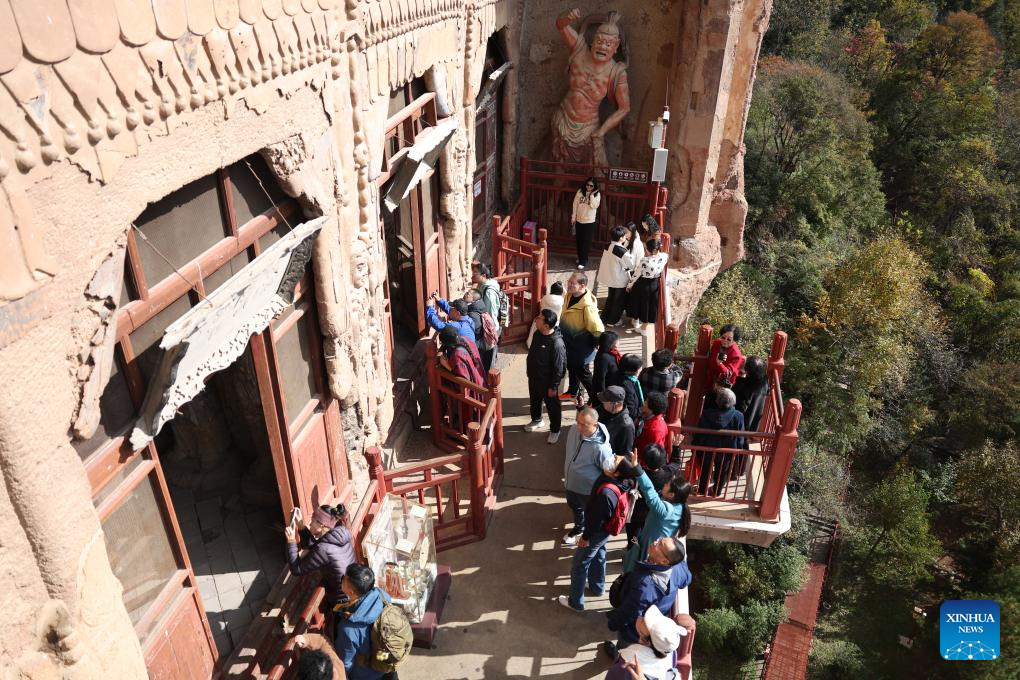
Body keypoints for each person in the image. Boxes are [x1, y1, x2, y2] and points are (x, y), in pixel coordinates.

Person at [557, 455, 641, 612]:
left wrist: (585, 537)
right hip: (605, 530)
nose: (612, 457)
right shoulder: (623, 482)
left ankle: (576, 602)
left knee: (579, 564)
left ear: (616, 472)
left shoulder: (606, 494)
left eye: (615, 460)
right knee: (599, 553)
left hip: (597, 531)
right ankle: (597, 586)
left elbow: (596, 520)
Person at [552, 9, 630, 166]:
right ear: (593, 41)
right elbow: (560, 26)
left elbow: (624, 108)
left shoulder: (616, 73)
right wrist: (567, 17)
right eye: (599, 41)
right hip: (563, 118)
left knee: (595, 171)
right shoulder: (579, 50)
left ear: (616, 47)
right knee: (559, 168)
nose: (603, 47)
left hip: (589, 128)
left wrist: (602, 131)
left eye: (608, 44)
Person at [605, 537, 691, 656]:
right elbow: (687, 579)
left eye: (660, 544)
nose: (655, 541)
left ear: (664, 561)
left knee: (624, 650)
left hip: (635, 631)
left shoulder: (645, 586)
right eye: (660, 539)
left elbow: (627, 613)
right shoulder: (677, 567)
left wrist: (612, 623)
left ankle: (617, 655)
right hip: (653, 624)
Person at [621, 462, 691, 574]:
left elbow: (650, 493)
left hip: (649, 552)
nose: (665, 484)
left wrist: (638, 470)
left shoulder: (665, 511)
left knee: (633, 574)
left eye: (667, 484)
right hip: (653, 548)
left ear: (672, 494)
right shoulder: (680, 505)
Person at [285, 504, 356, 608]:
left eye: (313, 520)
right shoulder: (341, 531)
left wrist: (291, 542)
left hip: (343, 600)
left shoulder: (323, 549)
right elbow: (316, 548)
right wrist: (301, 526)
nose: (310, 523)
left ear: (321, 525)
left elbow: (297, 570)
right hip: (353, 591)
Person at [562, 407, 614, 546]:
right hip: (570, 485)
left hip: (587, 492)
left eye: (583, 424)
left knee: (590, 514)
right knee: (575, 508)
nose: (578, 427)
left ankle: (586, 534)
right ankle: (579, 527)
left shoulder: (601, 449)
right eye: (577, 422)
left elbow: (609, 471)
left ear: (595, 425)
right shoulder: (574, 429)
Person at [334, 563, 392, 680]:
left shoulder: (348, 629)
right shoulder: (383, 595)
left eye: (343, 579)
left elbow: (345, 663)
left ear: (351, 592)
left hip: (365, 674)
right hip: (386, 663)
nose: (341, 579)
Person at [607, 604, 688, 679]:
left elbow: (615, 676)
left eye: (644, 622)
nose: (640, 617)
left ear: (647, 641)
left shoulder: (629, 665)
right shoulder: (669, 651)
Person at [560, 272, 604, 406]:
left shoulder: (587, 306)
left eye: (573, 284)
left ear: (582, 286)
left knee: (584, 374)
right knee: (572, 368)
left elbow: (597, 328)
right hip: (570, 343)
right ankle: (572, 392)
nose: (569, 285)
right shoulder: (570, 295)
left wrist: (595, 344)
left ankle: (596, 400)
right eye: (569, 282)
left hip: (581, 346)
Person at [690, 387, 745, 495]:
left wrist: (695, 446)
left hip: (707, 448)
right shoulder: (738, 416)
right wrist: (739, 448)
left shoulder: (706, 414)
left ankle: (702, 489)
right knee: (722, 471)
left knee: (705, 469)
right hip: (727, 450)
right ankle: (717, 491)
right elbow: (740, 437)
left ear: (717, 401)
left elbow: (700, 433)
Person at [525, 310, 567, 444]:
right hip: (534, 377)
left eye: (539, 318)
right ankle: (537, 419)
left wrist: (554, 386)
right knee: (535, 399)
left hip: (548, 382)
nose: (536, 319)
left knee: (552, 406)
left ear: (547, 326)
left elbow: (559, 367)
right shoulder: (538, 333)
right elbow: (532, 353)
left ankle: (555, 430)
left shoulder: (556, 343)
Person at [625, 443, 681, 544]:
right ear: (663, 461)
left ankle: (633, 548)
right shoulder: (667, 472)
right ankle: (640, 550)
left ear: (644, 460)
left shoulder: (637, 474)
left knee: (633, 536)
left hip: (636, 511)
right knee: (646, 533)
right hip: (653, 512)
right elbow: (676, 463)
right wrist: (676, 447)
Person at [438, 326, 486, 430]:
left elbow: (463, 382)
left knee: (467, 415)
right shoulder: (465, 339)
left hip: (472, 389)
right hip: (480, 380)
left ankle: (465, 432)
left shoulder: (457, 355)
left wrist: (446, 365)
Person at [595, 225, 635, 324]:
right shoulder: (621, 250)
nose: (625, 237)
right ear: (621, 238)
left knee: (610, 298)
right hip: (619, 279)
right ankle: (613, 321)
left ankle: (604, 318)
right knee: (618, 301)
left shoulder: (608, 245)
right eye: (624, 235)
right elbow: (631, 265)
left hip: (610, 277)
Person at [626, 238, 668, 331]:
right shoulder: (664, 256)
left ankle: (636, 321)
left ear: (650, 250)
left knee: (636, 301)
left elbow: (636, 274)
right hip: (655, 283)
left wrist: (629, 285)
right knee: (650, 305)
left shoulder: (645, 260)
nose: (645, 250)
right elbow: (663, 256)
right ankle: (644, 326)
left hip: (643, 283)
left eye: (646, 249)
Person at [472, 262, 502, 370]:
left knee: (489, 361)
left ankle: (489, 382)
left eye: (476, 272)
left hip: (490, 329)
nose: (473, 274)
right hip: (490, 327)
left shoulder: (488, 292)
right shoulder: (485, 285)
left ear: (484, 275)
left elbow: (491, 315)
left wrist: (489, 333)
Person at [595, 385, 636, 457]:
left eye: (605, 401)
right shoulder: (603, 409)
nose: (602, 403)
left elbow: (624, 455)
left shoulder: (626, 426)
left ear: (615, 404)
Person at [463, 289, 498, 372]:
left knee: (481, 368)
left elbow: (477, 331)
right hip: (486, 343)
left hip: (480, 344)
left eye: (468, 293)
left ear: (473, 299)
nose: (465, 293)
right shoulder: (479, 306)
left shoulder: (473, 314)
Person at [571, 177, 601, 270]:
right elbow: (575, 204)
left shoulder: (597, 195)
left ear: (594, 186)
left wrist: (591, 195)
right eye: (587, 185)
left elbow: (594, 206)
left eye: (591, 186)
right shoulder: (580, 191)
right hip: (579, 219)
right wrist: (573, 217)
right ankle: (580, 258)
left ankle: (583, 261)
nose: (588, 187)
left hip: (589, 221)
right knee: (579, 241)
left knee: (586, 242)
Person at [733, 355, 768, 431]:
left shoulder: (742, 385)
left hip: (742, 425)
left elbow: (740, 407)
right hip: (755, 423)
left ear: (747, 371)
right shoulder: (765, 382)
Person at [527, 280, 565, 347]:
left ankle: (530, 345)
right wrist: (562, 286)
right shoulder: (562, 301)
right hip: (554, 323)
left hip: (541, 319)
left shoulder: (545, 298)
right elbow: (566, 294)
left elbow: (541, 305)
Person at [634, 392, 670, 461]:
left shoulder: (656, 430)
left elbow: (655, 455)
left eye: (646, 402)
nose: (643, 403)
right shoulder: (649, 417)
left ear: (651, 410)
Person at [707, 324, 744, 389]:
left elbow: (728, 374)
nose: (725, 341)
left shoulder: (736, 355)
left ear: (734, 340)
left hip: (722, 387)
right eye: (723, 337)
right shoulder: (717, 343)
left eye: (729, 339)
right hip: (710, 380)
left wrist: (720, 364)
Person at [591, 330, 622, 408]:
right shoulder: (603, 358)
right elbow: (600, 379)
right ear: (610, 344)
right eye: (617, 341)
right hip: (608, 393)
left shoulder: (611, 352)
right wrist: (603, 398)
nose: (619, 342)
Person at [618, 354, 645, 430]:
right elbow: (632, 411)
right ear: (634, 370)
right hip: (630, 423)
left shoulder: (625, 377)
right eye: (640, 367)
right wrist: (645, 409)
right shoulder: (626, 387)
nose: (641, 369)